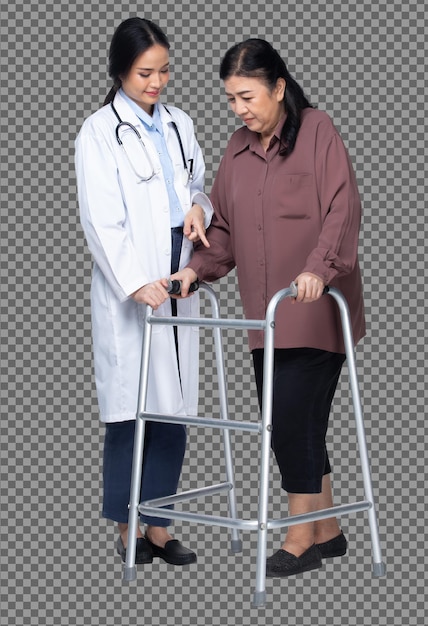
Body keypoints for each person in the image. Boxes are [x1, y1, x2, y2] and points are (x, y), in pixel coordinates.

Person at [173, 38, 366, 577]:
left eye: (248, 96)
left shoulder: (318, 130)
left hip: (317, 310)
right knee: (292, 423)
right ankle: (328, 530)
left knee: (289, 424)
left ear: (279, 88)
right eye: (231, 99)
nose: (240, 109)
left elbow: (342, 207)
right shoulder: (236, 150)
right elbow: (226, 231)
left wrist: (317, 269)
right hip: (265, 318)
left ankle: (298, 538)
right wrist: (194, 270)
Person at [75, 17, 213, 567]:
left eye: (164, 71)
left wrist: (201, 205)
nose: (157, 83)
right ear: (119, 72)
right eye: (145, 73)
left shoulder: (179, 123)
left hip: (181, 279)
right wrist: (136, 283)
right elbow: (101, 221)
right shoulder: (98, 131)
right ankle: (128, 528)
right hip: (132, 290)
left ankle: (160, 526)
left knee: (173, 409)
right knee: (130, 413)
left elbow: (196, 184)